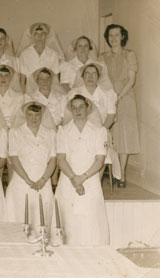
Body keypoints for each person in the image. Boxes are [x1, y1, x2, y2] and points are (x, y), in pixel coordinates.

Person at [54, 94, 109, 245]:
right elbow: (61, 159)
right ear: (70, 110)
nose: (78, 110)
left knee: (90, 221)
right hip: (68, 180)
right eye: (74, 107)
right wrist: (74, 179)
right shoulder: (63, 131)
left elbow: (100, 160)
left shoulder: (99, 131)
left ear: (87, 108)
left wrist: (82, 178)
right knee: (68, 220)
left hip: (90, 180)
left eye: (81, 107)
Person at [6, 101, 56, 234]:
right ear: (25, 115)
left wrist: (43, 180)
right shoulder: (15, 132)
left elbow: (53, 159)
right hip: (22, 182)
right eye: (30, 115)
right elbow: (14, 158)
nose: (34, 118)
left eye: (37, 115)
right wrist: (27, 180)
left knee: (42, 220)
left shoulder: (50, 133)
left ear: (42, 116)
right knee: (21, 218)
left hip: (43, 182)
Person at [100, 24, 140, 188]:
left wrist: (119, 97)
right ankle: (112, 171)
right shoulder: (102, 56)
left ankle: (121, 175)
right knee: (109, 136)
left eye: (117, 35)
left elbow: (131, 80)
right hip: (107, 99)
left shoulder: (129, 55)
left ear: (122, 36)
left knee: (123, 137)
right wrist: (109, 97)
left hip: (125, 99)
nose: (113, 39)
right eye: (110, 36)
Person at [17, 23, 64, 92]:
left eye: (42, 34)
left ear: (46, 36)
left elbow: (55, 79)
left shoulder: (53, 54)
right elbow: (22, 80)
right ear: (32, 36)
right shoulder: (24, 54)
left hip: (48, 91)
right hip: (30, 92)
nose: (39, 36)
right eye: (36, 34)